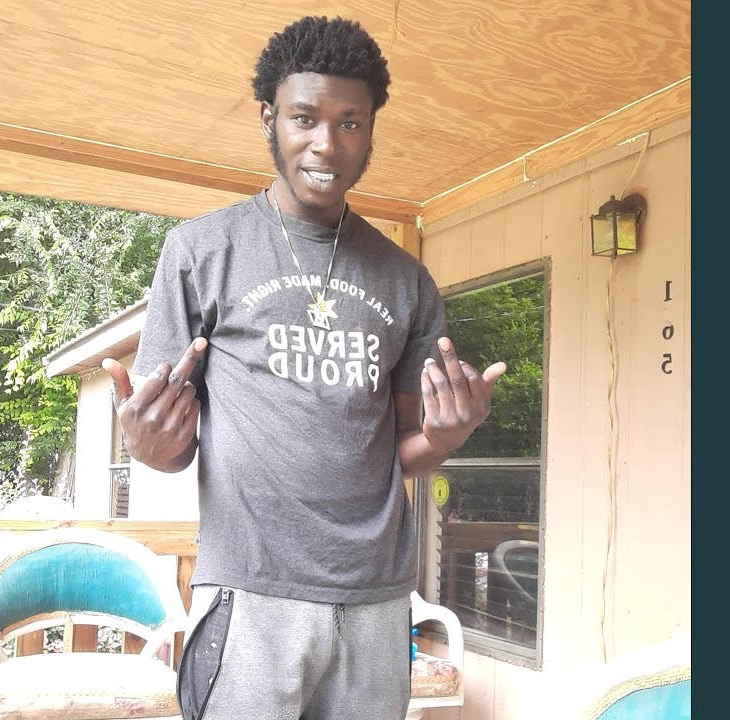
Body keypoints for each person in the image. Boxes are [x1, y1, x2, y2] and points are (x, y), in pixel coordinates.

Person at [102, 15, 506, 720]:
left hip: (376, 597)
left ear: (371, 131)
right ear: (269, 119)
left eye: (350, 123)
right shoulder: (201, 251)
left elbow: (402, 449)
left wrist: (446, 436)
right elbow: (169, 446)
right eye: (304, 118)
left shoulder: (406, 281)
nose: (327, 143)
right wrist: (142, 442)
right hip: (251, 592)